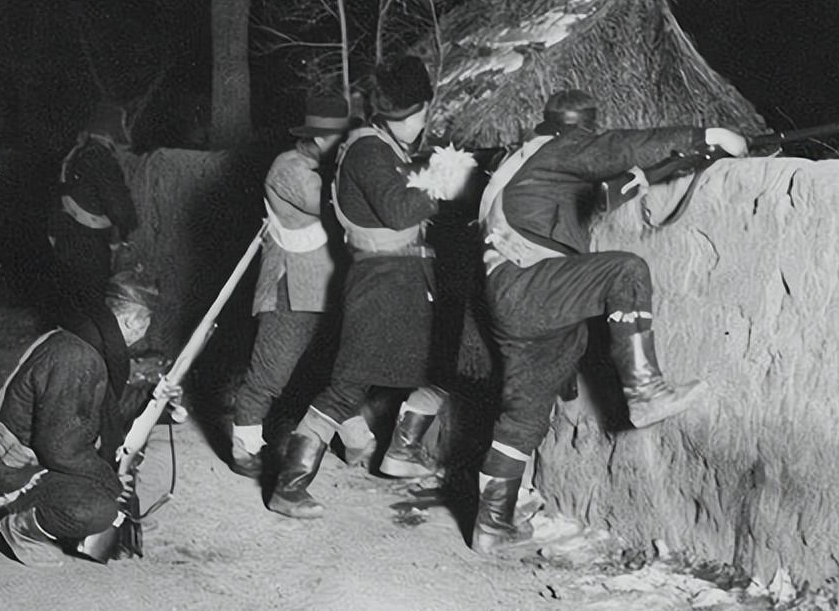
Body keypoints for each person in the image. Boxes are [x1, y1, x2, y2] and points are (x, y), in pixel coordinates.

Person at [469, 89, 748, 555]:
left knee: (524, 415)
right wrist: (708, 136)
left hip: (514, 296)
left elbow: (592, 197)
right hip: (532, 282)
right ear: (580, 130)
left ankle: (492, 524)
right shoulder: (560, 148)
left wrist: (663, 170)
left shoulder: (519, 162)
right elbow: (617, 148)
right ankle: (645, 389)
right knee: (625, 270)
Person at [268, 56, 460, 520]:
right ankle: (289, 487)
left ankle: (403, 450)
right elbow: (399, 210)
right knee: (345, 388)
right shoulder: (369, 150)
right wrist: (444, 176)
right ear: (411, 110)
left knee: (443, 369)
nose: (422, 123)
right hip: (380, 285)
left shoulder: (386, 147)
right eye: (420, 114)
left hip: (404, 281)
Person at [0, 273, 178, 567]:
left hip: (34, 459)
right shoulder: (77, 355)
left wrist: (155, 398)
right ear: (134, 322)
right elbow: (60, 447)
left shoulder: (86, 338)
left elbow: (103, 410)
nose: (146, 330)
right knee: (99, 509)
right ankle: (23, 525)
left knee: (117, 471)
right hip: (14, 476)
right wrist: (108, 480)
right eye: (147, 322)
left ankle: (71, 514)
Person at [229, 94, 361, 478]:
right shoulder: (288, 168)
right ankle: (244, 448)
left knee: (336, 368)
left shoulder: (322, 166)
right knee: (270, 373)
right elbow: (336, 203)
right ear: (319, 137)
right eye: (341, 138)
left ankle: (357, 438)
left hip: (327, 286)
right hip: (291, 286)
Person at [47, 102, 139, 321]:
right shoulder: (99, 157)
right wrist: (129, 229)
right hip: (89, 244)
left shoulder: (75, 154)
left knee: (73, 307)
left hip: (65, 238)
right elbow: (117, 205)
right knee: (96, 309)